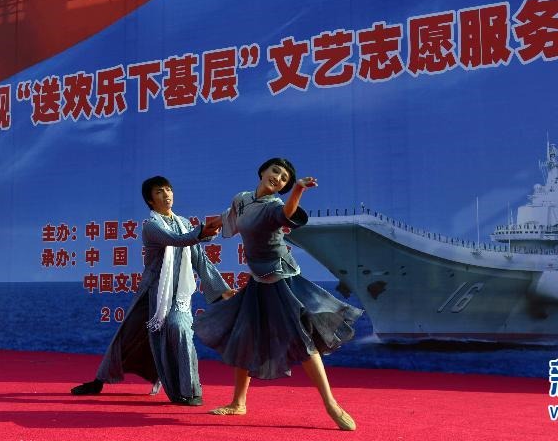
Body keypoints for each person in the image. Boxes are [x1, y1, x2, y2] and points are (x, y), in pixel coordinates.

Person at [193, 158, 362, 430]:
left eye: (284, 178)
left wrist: (298, 190)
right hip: (258, 281)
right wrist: (200, 231)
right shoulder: (242, 199)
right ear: (263, 171)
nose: (278, 178)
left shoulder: (273, 207)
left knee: (302, 341)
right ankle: (238, 403)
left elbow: (287, 213)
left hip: (281, 279)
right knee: (245, 337)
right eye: (275, 171)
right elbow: (227, 219)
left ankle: (331, 404)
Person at [71, 176, 235, 405]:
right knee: (126, 337)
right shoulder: (151, 227)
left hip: (178, 295)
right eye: (159, 192)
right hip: (152, 294)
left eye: (168, 190)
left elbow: (199, 257)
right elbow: (177, 240)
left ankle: (189, 391)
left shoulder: (184, 223)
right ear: (150, 200)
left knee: (179, 328)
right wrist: (202, 232)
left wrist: (222, 290)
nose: (166, 194)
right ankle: (99, 381)